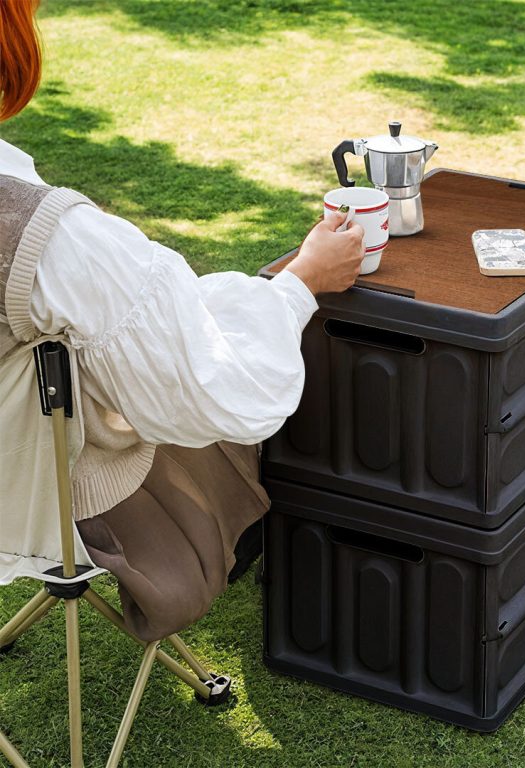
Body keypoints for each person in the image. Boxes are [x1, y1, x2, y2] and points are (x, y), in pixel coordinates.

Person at [0, 0, 364, 641]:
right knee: (202, 417)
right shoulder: (46, 234)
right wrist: (300, 283)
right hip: (33, 499)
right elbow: (214, 388)